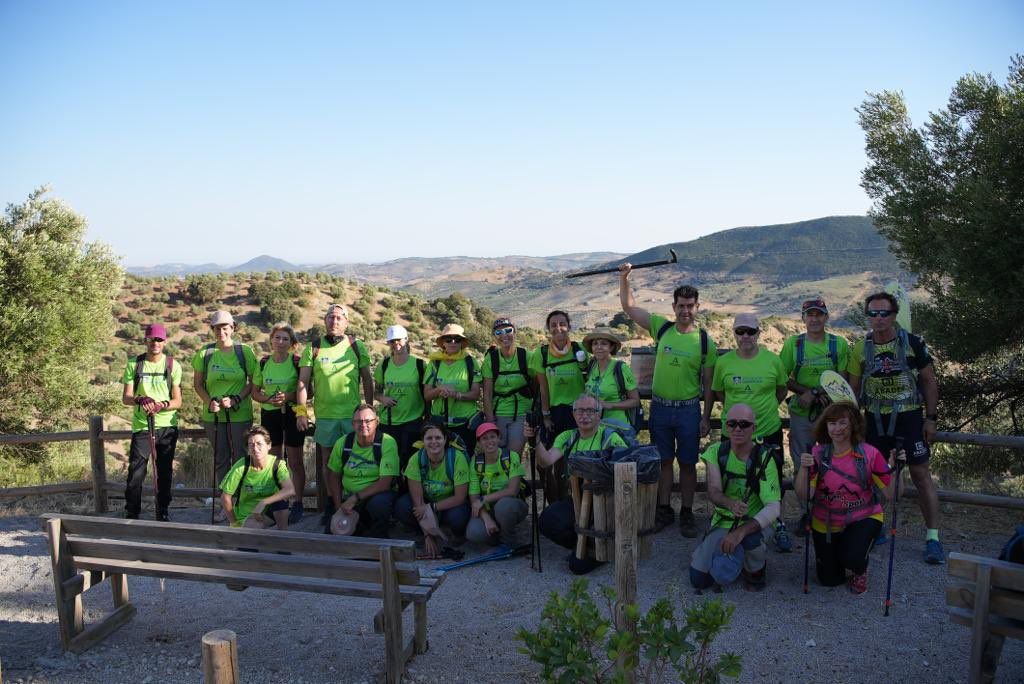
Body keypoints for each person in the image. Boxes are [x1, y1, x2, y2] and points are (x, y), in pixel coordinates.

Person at [619, 268, 717, 537]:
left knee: (687, 463)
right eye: (681, 306)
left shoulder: (705, 342)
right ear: (673, 307)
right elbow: (629, 307)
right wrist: (624, 278)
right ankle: (664, 509)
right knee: (663, 462)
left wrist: (706, 417)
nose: (685, 310)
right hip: (661, 408)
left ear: (697, 307)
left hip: (688, 409)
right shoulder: (661, 328)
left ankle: (686, 512)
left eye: (690, 306)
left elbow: (708, 385)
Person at [847, 291, 943, 564]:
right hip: (873, 419)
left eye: (884, 313)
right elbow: (853, 389)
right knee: (871, 475)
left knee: (921, 475)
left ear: (894, 314)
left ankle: (933, 538)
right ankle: (874, 528)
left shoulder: (913, 343)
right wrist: (855, 423)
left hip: (909, 417)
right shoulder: (860, 347)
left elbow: (928, 380)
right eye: (873, 314)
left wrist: (931, 418)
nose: (878, 319)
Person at [794, 402, 898, 593]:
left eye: (843, 423)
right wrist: (803, 468)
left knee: (853, 557)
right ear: (825, 426)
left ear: (854, 425)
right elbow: (804, 495)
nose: (837, 429)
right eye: (832, 423)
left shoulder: (869, 454)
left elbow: (892, 495)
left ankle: (859, 567)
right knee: (829, 580)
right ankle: (843, 554)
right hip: (825, 522)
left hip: (864, 516)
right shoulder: (816, 454)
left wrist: (895, 469)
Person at [710, 313, 790, 552]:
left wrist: (760, 414)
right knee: (730, 479)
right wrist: (739, 419)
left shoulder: (773, 361)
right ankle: (727, 521)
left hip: (768, 431)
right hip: (735, 433)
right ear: (734, 333)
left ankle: (776, 523)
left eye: (750, 331)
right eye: (740, 331)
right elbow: (719, 393)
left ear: (759, 333)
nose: (745, 336)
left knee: (772, 479)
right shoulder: (723, 363)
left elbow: (781, 390)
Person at [526, 394, 629, 574]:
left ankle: (600, 548)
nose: (585, 415)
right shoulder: (568, 437)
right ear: (573, 414)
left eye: (591, 410)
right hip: (578, 501)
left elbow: (626, 470)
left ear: (599, 414)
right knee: (547, 521)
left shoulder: (611, 438)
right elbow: (546, 461)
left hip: (606, 505)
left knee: (577, 567)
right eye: (580, 410)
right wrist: (535, 441)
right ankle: (584, 545)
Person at [689, 404, 780, 592]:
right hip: (724, 521)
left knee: (749, 540)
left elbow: (773, 508)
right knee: (699, 580)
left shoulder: (764, 458)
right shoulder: (716, 452)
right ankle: (722, 551)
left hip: (753, 523)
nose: (738, 429)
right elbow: (714, 491)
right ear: (726, 427)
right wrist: (730, 504)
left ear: (754, 428)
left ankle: (755, 569)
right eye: (732, 424)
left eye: (744, 424)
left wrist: (739, 533)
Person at [295, 304, 373, 522]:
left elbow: (367, 379)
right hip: (326, 417)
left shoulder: (356, 346)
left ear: (346, 322)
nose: (334, 321)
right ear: (325, 320)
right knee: (329, 463)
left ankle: (355, 503)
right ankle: (332, 504)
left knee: (355, 461)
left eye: (339, 318)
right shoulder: (314, 348)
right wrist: (301, 413)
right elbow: (303, 381)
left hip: (353, 417)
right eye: (331, 317)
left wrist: (370, 410)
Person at [780, 298, 850, 535]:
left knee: (835, 460)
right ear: (803, 318)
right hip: (802, 413)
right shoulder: (794, 345)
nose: (814, 319)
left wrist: (819, 392)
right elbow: (782, 377)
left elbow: (842, 378)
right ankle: (807, 513)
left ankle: (833, 509)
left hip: (832, 413)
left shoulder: (838, 344)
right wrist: (805, 392)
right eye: (810, 315)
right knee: (803, 462)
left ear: (826, 317)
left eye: (819, 314)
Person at [192, 310, 258, 501]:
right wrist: (209, 402)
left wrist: (237, 398)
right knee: (221, 459)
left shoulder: (244, 351)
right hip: (214, 415)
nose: (221, 331)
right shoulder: (205, 353)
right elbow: (197, 384)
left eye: (225, 327)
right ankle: (226, 501)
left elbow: (253, 383)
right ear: (212, 329)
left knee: (241, 457)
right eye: (217, 328)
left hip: (240, 414)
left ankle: (242, 499)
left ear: (233, 328)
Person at [122, 323, 182, 521]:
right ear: (145, 340)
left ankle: (163, 510)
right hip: (142, 425)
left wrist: (161, 404)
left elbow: (177, 401)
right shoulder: (134, 364)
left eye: (158, 339)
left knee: (164, 472)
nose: (154, 343)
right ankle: (132, 512)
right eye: (151, 339)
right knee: (136, 472)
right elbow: (126, 398)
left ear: (164, 342)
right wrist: (141, 399)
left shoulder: (173, 365)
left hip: (166, 425)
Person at [531, 309, 589, 502]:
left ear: (569, 326)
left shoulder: (580, 350)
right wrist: (546, 416)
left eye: (562, 323)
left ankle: (578, 505)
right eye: (553, 325)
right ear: (548, 329)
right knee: (552, 464)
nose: (558, 328)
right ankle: (556, 504)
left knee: (576, 460)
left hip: (578, 413)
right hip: (555, 413)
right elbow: (543, 389)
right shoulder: (542, 353)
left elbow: (588, 381)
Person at [251, 322, 306, 524]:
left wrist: (289, 396)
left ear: (292, 343)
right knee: (272, 462)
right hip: (270, 416)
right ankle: (276, 503)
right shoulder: (263, 363)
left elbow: (308, 391)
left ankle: (298, 502)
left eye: (285, 339)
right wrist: (268, 400)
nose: (280, 342)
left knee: (295, 461)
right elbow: (256, 392)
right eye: (277, 338)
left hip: (293, 413)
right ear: (271, 341)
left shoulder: (297, 362)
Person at [395, 422, 471, 557]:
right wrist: (427, 535)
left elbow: (460, 497)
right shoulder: (416, 459)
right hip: (426, 503)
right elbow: (418, 503)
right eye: (429, 438)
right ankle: (423, 531)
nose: (434, 442)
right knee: (403, 505)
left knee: (459, 516)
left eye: (438, 438)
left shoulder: (456, 458)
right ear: (423, 441)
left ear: (445, 439)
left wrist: (431, 507)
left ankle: (456, 533)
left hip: (449, 505)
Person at [326, 404, 399, 538]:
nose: (363, 424)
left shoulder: (387, 442)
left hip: (376, 496)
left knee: (379, 505)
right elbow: (334, 476)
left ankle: (378, 543)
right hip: (349, 498)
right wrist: (338, 507)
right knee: (331, 531)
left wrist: (355, 498)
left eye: (368, 421)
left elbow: (385, 484)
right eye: (358, 421)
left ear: (377, 422)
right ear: (352, 424)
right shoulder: (343, 443)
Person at [374, 324, 427, 475]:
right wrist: (383, 398)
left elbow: (427, 394)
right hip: (388, 423)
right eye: (392, 341)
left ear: (406, 339)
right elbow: (376, 392)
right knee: (389, 463)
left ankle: (408, 494)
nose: (395, 344)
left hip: (413, 422)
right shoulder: (383, 365)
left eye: (398, 340)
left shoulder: (419, 365)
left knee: (411, 464)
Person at [219, 426, 295, 529]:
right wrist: (234, 523)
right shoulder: (241, 466)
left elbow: (290, 490)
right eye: (251, 445)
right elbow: (225, 497)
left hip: (269, 511)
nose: (255, 448)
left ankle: (283, 536)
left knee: (282, 501)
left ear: (269, 445)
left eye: (259, 444)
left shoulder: (277, 465)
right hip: (247, 515)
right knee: (254, 526)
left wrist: (263, 502)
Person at [466, 422, 528, 549]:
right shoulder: (476, 462)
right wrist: (486, 517)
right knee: (473, 533)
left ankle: (508, 540)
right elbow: (474, 497)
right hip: (488, 509)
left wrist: (484, 499)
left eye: (492, 436)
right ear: (479, 443)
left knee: (503, 507)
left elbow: (513, 491)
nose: (489, 441)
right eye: (484, 438)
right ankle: (494, 533)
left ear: (499, 438)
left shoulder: (511, 457)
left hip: (512, 505)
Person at [423, 323, 482, 454]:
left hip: (464, 425)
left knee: (464, 462)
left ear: (462, 342)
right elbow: (426, 395)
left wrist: (456, 395)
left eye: (457, 339)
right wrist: (439, 390)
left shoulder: (470, 362)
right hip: (439, 426)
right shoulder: (434, 363)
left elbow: (476, 394)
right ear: (443, 342)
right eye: (448, 339)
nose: (453, 342)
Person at [482, 317, 534, 456]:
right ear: (494, 337)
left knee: (512, 457)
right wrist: (490, 420)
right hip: (497, 414)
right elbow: (487, 393)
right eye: (498, 333)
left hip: (521, 414)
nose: (504, 335)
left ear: (515, 332)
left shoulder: (526, 356)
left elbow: (538, 385)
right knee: (496, 456)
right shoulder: (490, 359)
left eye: (508, 330)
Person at [581, 327, 640, 432]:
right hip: (596, 427)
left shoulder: (620, 368)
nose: (599, 347)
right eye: (595, 343)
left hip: (618, 427)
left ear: (611, 347)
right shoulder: (592, 366)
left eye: (603, 343)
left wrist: (611, 405)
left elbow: (635, 401)